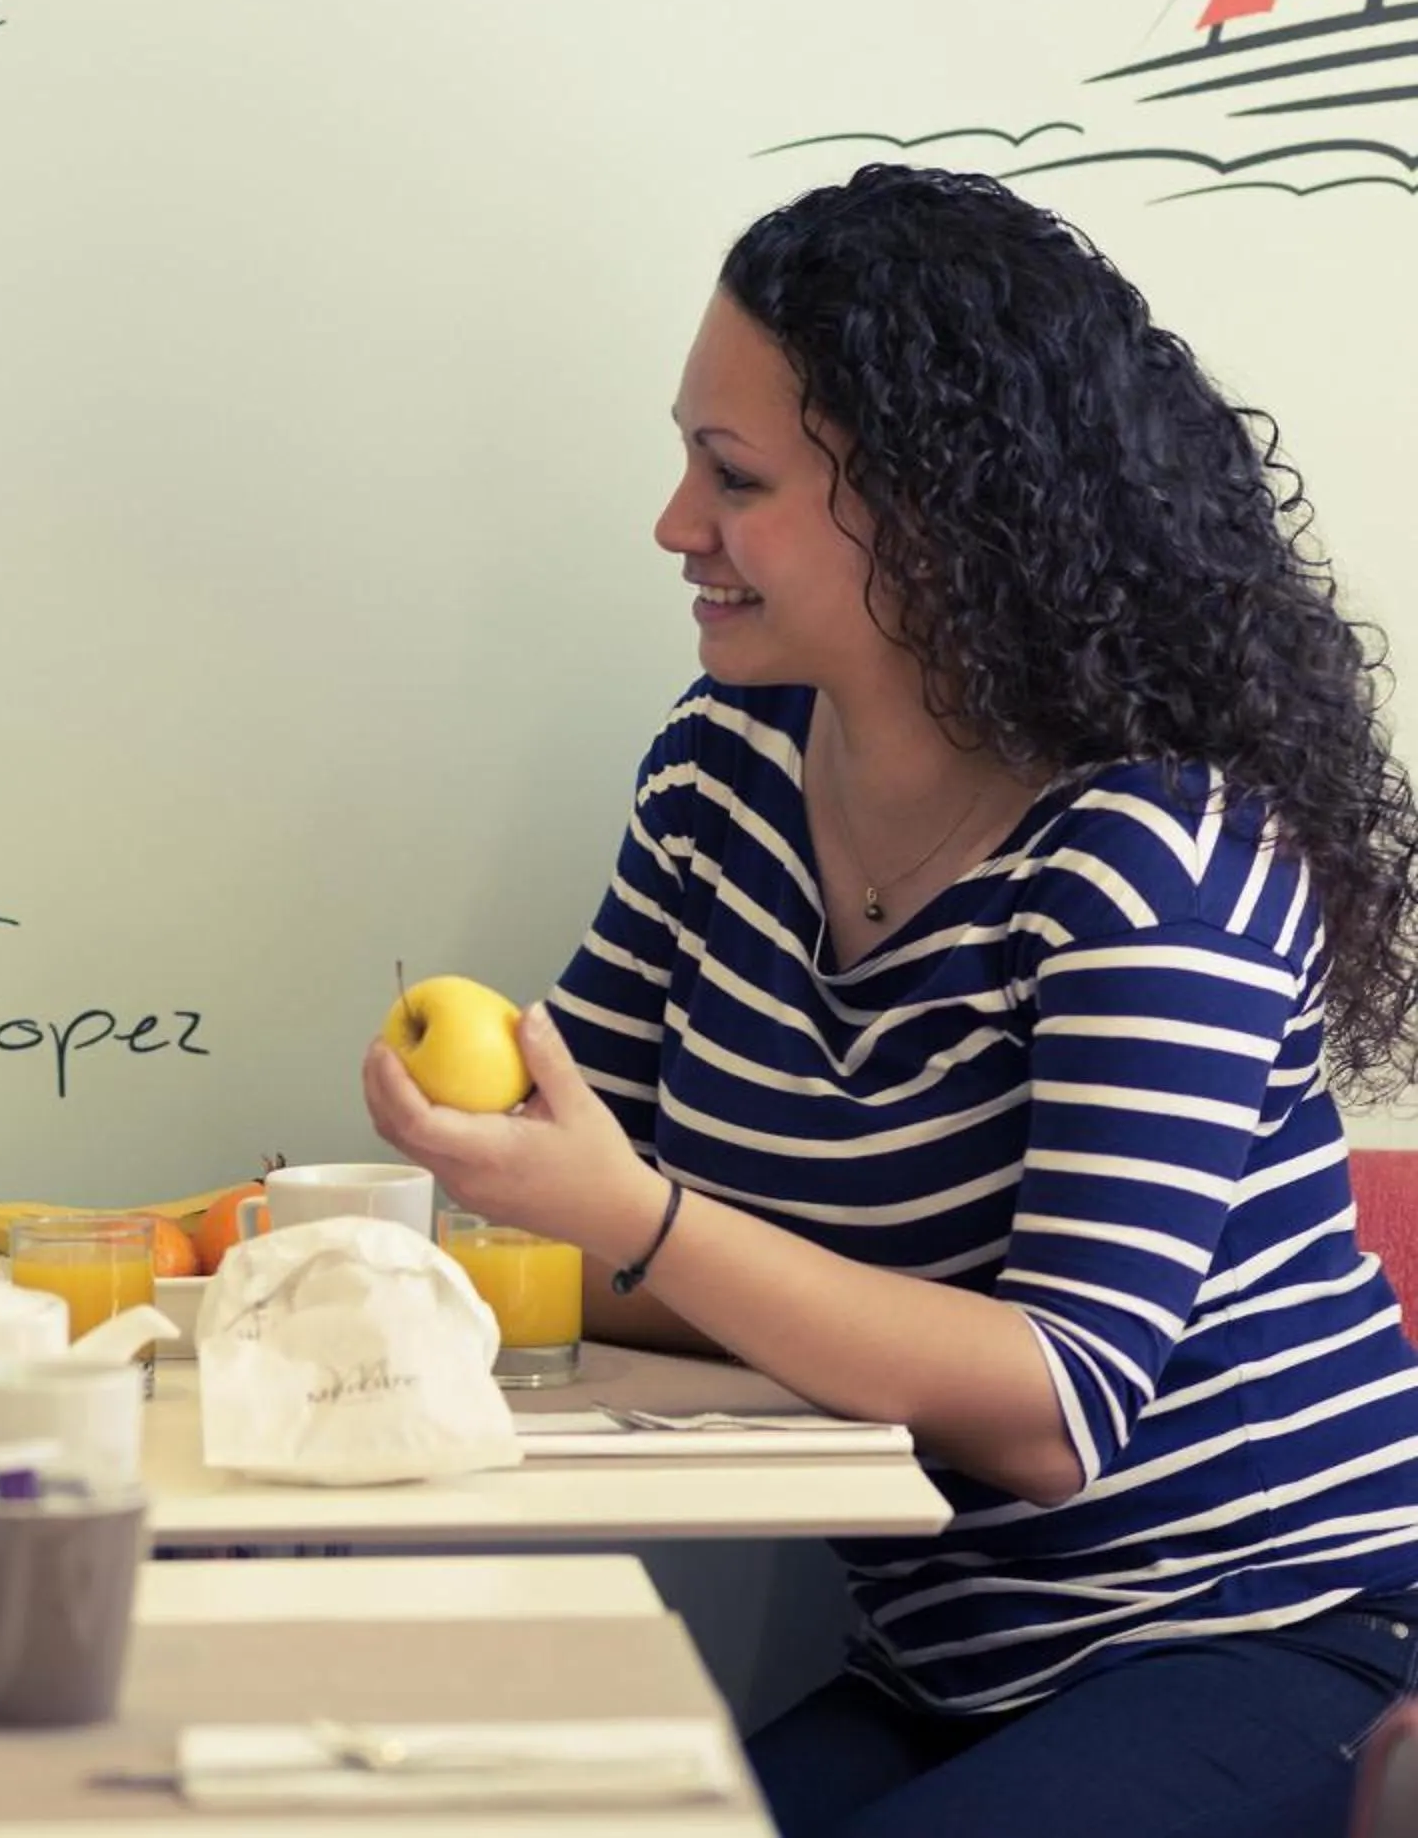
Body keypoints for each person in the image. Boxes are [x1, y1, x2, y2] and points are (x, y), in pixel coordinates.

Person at [362, 165, 1418, 1838]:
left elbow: (1056, 1408)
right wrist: (276, 1266)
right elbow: (565, 1218)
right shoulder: (725, 772)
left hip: (1286, 1637)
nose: (675, 524)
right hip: (955, 1668)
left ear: (933, 510)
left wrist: (625, 1216)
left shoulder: (1155, 856)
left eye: (734, 476)